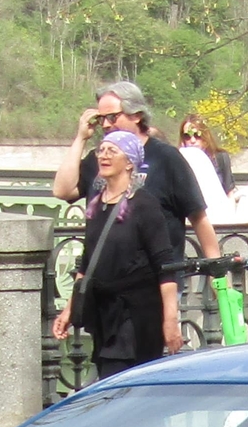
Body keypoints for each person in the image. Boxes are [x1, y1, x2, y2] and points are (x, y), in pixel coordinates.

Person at [52, 129, 183, 382]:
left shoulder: (145, 205)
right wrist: (70, 309)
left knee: (123, 389)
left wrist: (170, 320)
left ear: (130, 162)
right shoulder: (96, 204)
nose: (104, 155)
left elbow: (166, 266)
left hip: (136, 318)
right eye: (101, 150)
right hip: (104, 316)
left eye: (113, 151)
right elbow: (88, 263)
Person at [50, 81, 215, 258]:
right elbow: (62, 191)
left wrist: (217, 272)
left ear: (136, 115)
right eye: (101, 118)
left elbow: (198, 217)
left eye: (112, 117)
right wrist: (81, 138)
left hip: (157, 278)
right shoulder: (99, 158)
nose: (105, 124)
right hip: (105, 277)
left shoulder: (166, 157)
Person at [177, 113, 231, 203]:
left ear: (205, 136)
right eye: (187, 136)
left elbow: (229, 193)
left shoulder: (220, 157)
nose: (192, 140)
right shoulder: (178, 162)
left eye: (197, 135)